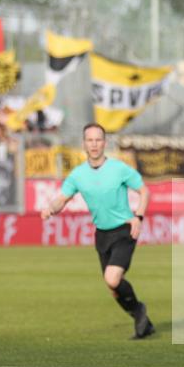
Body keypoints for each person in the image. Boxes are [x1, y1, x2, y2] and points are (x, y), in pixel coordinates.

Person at [41, 123, 154, 339]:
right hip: (102, 235)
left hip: (124, 230)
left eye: (98, 140)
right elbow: (61, 200)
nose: (94, 144)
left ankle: (139, 310)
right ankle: (142, 321)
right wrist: (50, 209)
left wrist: (138, 217)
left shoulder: (119, 168)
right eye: (90, 140)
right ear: (84, 144)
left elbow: (144, 191)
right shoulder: (77, 175)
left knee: (112, 278)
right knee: (113, 288)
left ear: (104, 142)